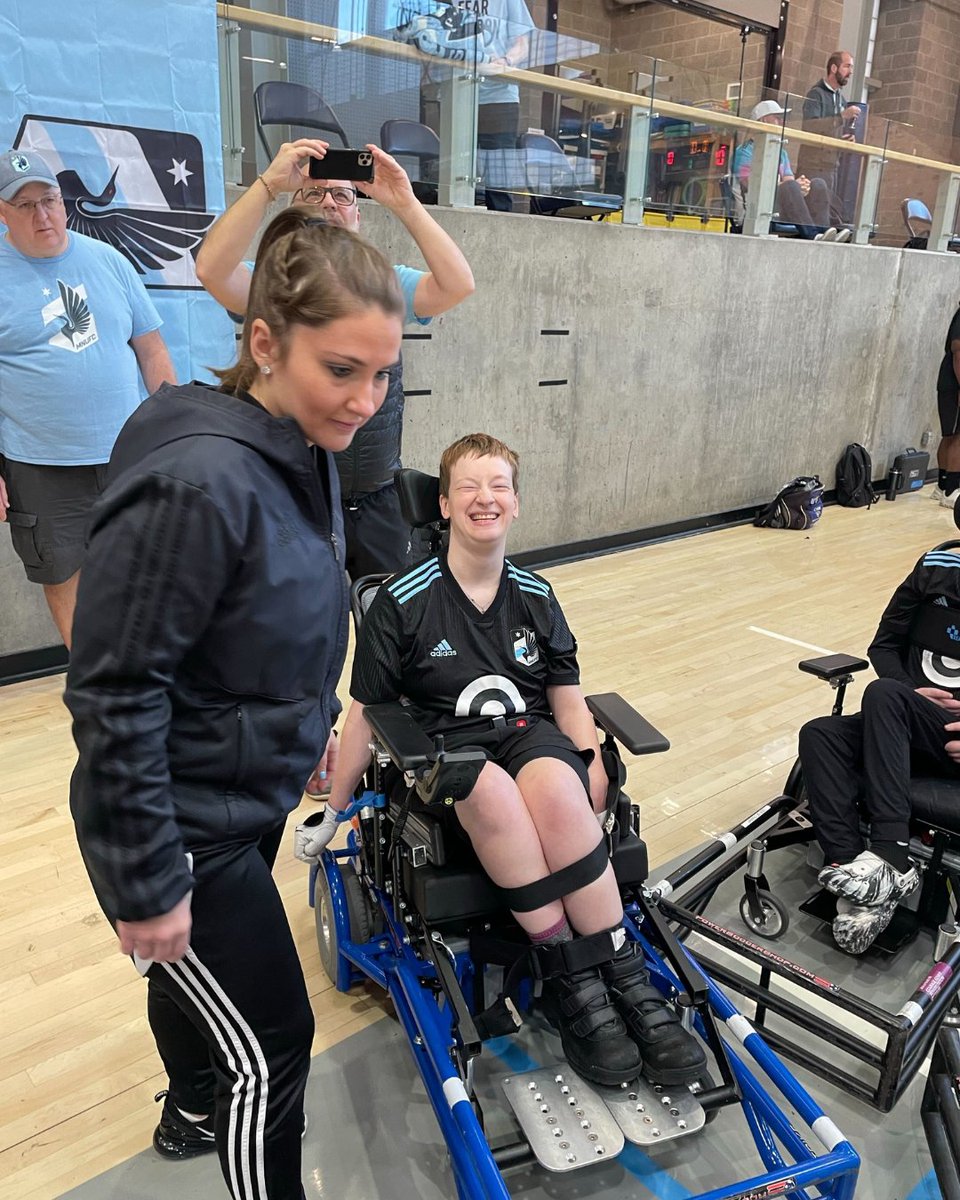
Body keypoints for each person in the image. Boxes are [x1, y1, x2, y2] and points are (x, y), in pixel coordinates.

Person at [65, 215, 405, 1199]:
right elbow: (115, 690)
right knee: (273, 1047)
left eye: (382, 374)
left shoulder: (297, 444)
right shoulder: (197, 479)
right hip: (188, 826)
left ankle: (187, 1105)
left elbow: (254, 623)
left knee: (202, 990)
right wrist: (147, 879)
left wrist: (300, 734)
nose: (367, 399)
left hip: (234, 789)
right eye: (344, 369)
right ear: (263, 342)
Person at [296, 432, 707, 1089]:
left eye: (498, 487)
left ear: (516, 503)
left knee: (557, 788)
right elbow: (365, 712)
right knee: (491, 793)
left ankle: (623, 970)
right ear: (445, 503)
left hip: (527, 731)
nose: (485, 498)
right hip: (447, 748)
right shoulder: (401, 602)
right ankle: (569, 975)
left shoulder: (535, 594)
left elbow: (568, 699)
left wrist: (591, 757)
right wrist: (335, 810)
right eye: (469, 486)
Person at [196, 139, 474, 582]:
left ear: (358, 214)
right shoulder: (275, 283)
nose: (329, 202)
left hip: (376, 496)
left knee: (388, 632)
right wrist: (268, 184)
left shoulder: (383, 284)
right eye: (312, 193)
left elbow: (457, 284)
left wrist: (404, 201)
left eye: (342, 194)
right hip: (296, 494)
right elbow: (211, 269)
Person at [0, 148, 174, 648]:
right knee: (64, 578)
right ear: (3, 213)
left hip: (129, 456)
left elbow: (152, 349)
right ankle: (96, 693)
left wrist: (173, 431)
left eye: (49, 200)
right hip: (41, 466)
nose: (43, 215)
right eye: (25, 205)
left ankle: (153, 681)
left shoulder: (109, 260)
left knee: (149, 572)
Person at [798, 541, 960, 954]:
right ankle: (858, 880)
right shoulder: (935, 568)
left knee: (883, 694)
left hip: (952, 740)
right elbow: (883, 646)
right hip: (906, 716)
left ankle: (892, 853)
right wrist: (911, 691)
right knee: (820, 734)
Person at [405, 0, 534, 211]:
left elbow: (523, 44)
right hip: (454, 91)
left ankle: (497, 233)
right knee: (454, 173)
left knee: (498, 180)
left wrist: (505, 61)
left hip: (498, 95)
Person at [733, 100, 837, 240]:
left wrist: (802, 187)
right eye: (777, 118)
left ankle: (824, 234)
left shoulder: (781, 152)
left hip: (782, 206)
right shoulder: (744, 152)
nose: (781, 122)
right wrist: (791, 186)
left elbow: (789, 182)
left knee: (818, 183)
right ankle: (813, 236)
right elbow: (752, 186)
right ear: (763, 120)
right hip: (757, 209)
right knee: (791, 186)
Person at [797, 51, 861, 229]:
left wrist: (842, 141)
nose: (850, 71)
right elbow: (810, 127)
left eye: (851, 67)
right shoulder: (815, 94)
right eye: (847, 66)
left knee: (827, 211)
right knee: (815, 213)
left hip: (831, 166)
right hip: (813, 165)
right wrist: (842, 116)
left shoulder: (841, 98)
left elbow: (828, 131)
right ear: (834, 68)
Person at [930, 300, 960, 507]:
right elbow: (959, 353)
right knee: (958, 436)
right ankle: (952, 491)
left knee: (949, 435)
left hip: (950, 382)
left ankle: (941, 486)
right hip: (955, 384)